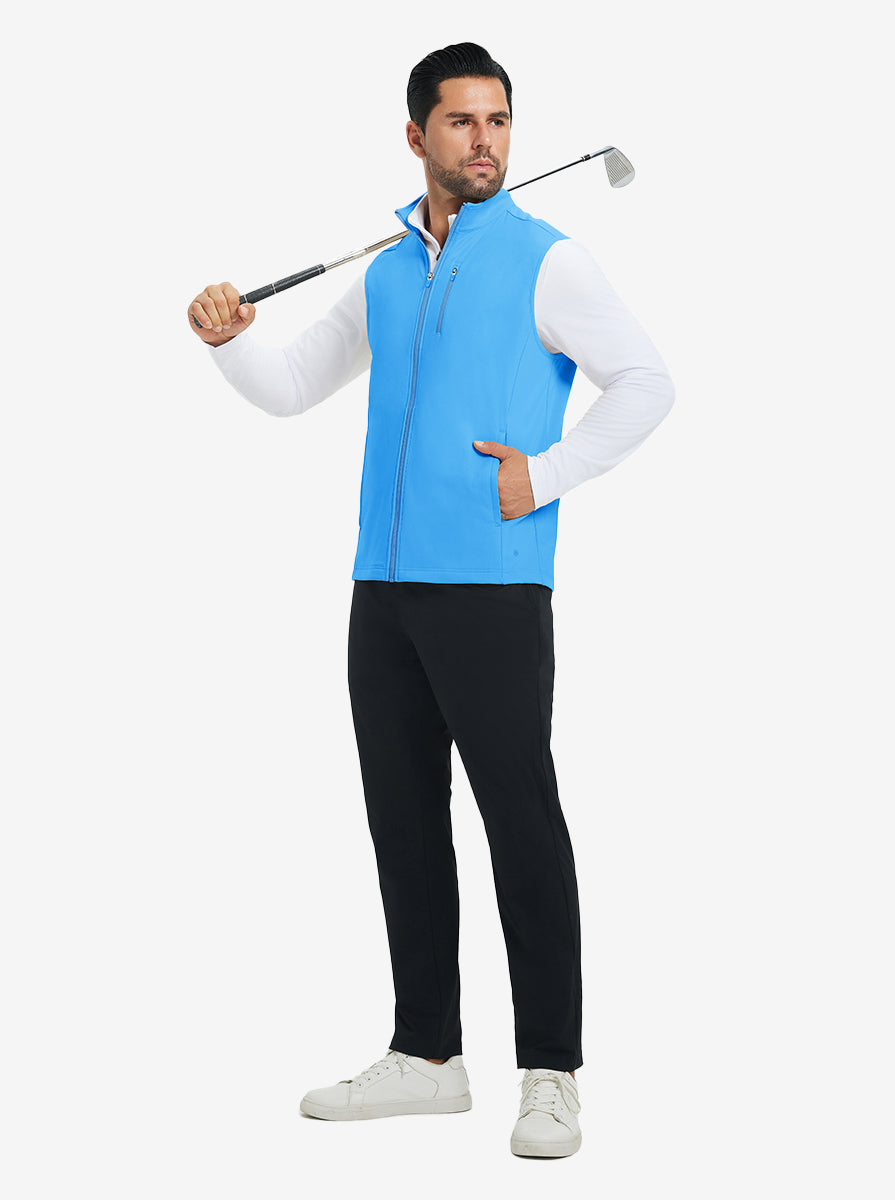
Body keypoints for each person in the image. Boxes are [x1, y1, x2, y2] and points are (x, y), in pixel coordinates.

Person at [188, 42, 674, 1159]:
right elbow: (292, 386)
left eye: (498, 120)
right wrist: (229, 343)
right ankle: (428, 1055)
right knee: (403, 820)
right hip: (385, 590)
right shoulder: (388, 272)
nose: (484, 141)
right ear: (417, 137)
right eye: (461, 122)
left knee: (521, 823)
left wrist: (544, 476)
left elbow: (648, 383)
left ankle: (550, 1072)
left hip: (494, 588)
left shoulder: (549, 260)